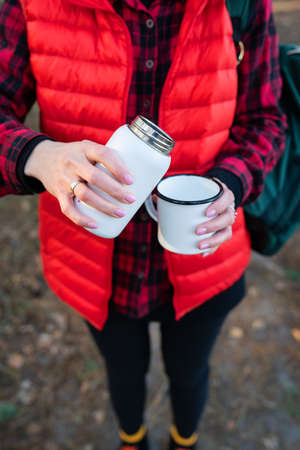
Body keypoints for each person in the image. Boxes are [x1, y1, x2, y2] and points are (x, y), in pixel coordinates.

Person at [0, 0, 286, 449]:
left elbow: (267, 120)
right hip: (92, 265)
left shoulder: (244, 5)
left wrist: (232, 182)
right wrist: (38, 156)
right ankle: (132, 440)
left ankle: (183, 442)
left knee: (190, 373)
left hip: (204, 265)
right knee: (123, 372)